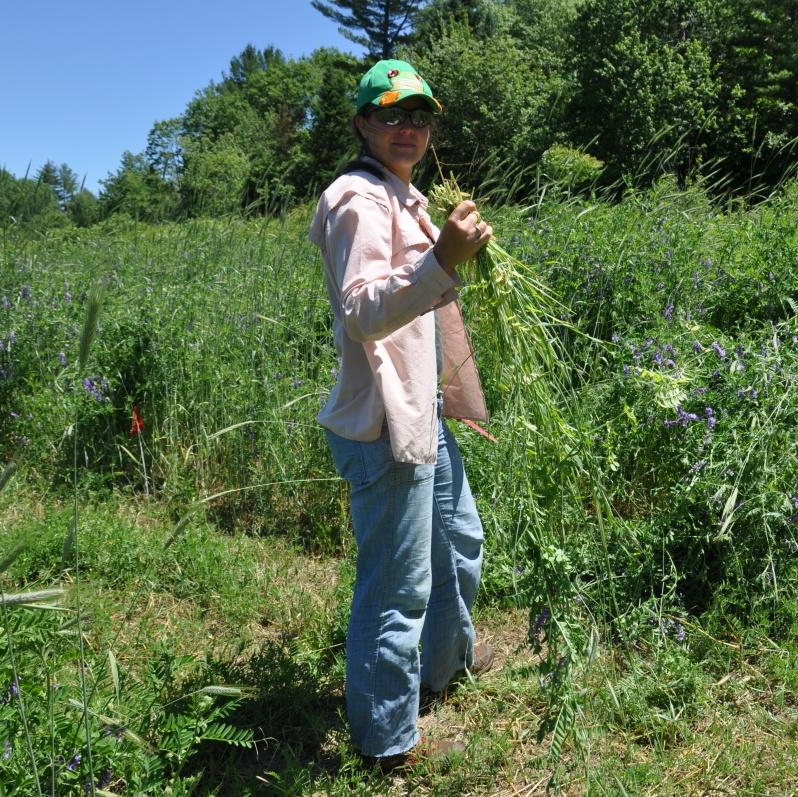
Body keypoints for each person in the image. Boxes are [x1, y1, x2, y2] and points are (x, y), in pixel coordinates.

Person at [307, 59, 495, 768]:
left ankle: (440, 671)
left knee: (460, 539)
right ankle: (386, 741)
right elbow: (363, 312)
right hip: (384, 424)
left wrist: (454, 255)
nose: (408, 127)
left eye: (419, 114)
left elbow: (422, 300)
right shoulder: (357, 198)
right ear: (362, 124)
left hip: (423, 413)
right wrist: (441, 259)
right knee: (396, 586)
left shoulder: (404, 195)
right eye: (390, 114)